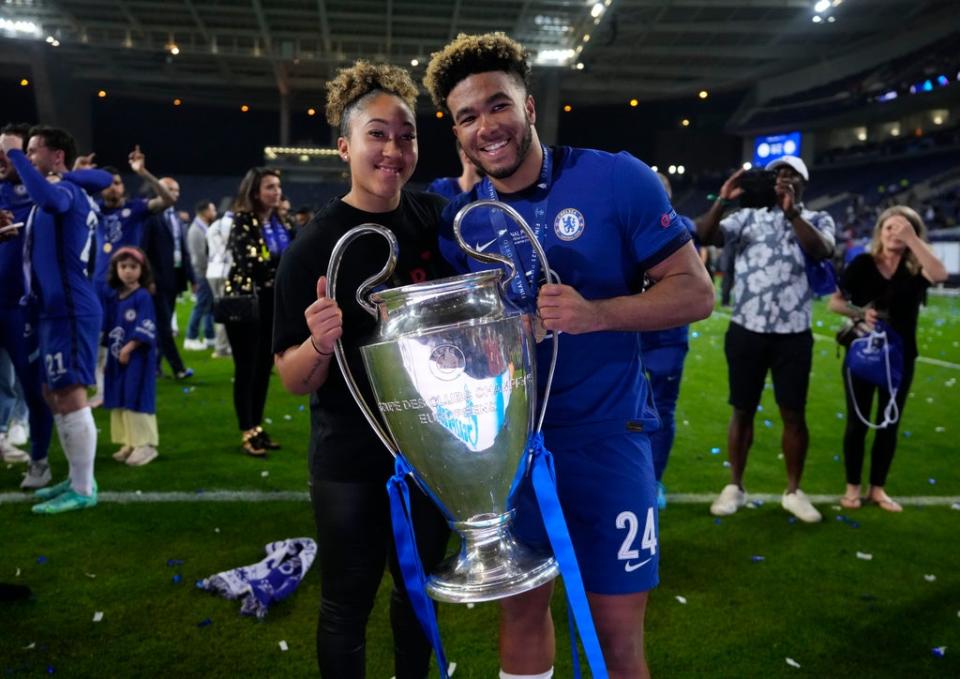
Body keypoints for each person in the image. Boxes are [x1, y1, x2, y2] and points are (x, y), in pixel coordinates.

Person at [423, 33, 714, 678]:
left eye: (498, 106)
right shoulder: (463, 223)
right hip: (510, 450)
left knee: (617, 636)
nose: (486, 127)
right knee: (522, 617)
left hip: (608, 440)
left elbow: (696, 293)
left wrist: (596, 314)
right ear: (457, 132)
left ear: (530, 106)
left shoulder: (615, 177)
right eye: (467, 117)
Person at [273, 60, 451, 678]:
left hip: (433, 450)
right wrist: (318, 344)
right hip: (350, 458)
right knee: (347, 604)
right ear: (345, 144)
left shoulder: (435, 221)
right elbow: (293, 378)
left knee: (419, 593)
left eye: (406, 135)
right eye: (377, 134)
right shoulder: (313, 245)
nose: (394, 149)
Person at [696, 156, 835, 524]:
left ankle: (793, 490)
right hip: (747, 328)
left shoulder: (818, 219)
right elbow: (706, 235)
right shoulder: (748, 217)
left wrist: (792, 214)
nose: (783, 179)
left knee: (793, 413)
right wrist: (723, 199)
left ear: (804, 183)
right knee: (742, 409)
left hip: (794, 333)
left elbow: (822, 250)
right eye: (777, 174)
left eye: (791, 175)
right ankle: (735, 485)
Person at [0, 125, 112, 513]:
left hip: (71, 308)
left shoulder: (64, 190)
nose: (27, 157)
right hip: (51, 310)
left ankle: (83, 488)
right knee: (53, 392)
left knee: (71, 392)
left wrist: (13, 154)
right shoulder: (56, 190)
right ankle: (75, 479)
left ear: (57, 156)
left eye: (33, 151)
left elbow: (51, 200)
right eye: (24, 151)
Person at [828, 206, 946, 511]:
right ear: (880, 231)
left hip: (901, 356)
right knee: (857, 424)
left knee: (889, 423)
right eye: (890, 227)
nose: (896, 233)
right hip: (865, 353)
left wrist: (914, 241)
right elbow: (835, 303)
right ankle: (852, 487)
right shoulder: (865, 263)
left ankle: (877, 488)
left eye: (904, 228)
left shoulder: (915, 269)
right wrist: (860, 312)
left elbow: (939, 274)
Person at [90, 148, 175, 405]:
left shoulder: (135, 209)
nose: (113, 188)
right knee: (100, 342)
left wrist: (143, 173)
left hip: (127, 287)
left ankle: (130, 390)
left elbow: (168, 199)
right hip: (98, 284)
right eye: (107, 185)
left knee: (129, 339)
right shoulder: (92, 209)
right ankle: (104, 392)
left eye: (117, 183)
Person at [222, 167, 292, 455]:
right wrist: (280, 270)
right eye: (269, 187)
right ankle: (247, 430)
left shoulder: (279, 221)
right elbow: (250, 263)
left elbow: (293, 256)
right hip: (246, 304)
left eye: (277, 186)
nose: (276, 191)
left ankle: (258, 427)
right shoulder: (243, 221)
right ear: (255, 192)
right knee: (247, 368)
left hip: (271, 302)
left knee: (264, 367)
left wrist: (279, 270)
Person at [640, 172, 699, 510]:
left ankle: (655, 479)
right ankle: (630, 475)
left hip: (667, 336)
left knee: (662, 409)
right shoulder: (623, 227)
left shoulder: (681, 227)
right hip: (629, 332)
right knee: (625, 408)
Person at [102, 246, 160, 466]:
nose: (128, 271)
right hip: (117, 358)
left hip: (137, 359)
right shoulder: (114, 297)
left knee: (136, 395)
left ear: (142, 270)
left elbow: (146, 325)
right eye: (123, 266)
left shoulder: (142, 296)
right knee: (121, 396)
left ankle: (145, 444)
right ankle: (130, 441)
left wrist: (129, 348)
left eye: (133, 267)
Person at [141, 177, 194, 379]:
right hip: (157, 280)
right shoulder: (151, 216)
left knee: (162, 324)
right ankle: (178, 368)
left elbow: (182, 250)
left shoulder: (176, 218)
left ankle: (154, 366)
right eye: (171, 189)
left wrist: (191, 278)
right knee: (164, 326)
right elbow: (144, 249)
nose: (176, 193)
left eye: (177, 189)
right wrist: (148, 279)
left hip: (174, 279)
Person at [184, 198, 218, 351]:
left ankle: (210, 337)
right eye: (213, 210)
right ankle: (191, 337)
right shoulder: (196, 230)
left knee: (210, 307)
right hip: (203, 273)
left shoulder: (203, 227)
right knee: (201, 306)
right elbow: (198, 257)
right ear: (205, 212)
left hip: (206, 272)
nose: (215, 213)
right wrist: (206, 273)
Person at [206, 207, 233, 358]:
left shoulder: (214, 224)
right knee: (227, 311)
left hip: (212, 270)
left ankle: (222, 345)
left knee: (221, 309)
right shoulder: (232, 223)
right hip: (225, 270)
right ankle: (222, 347)